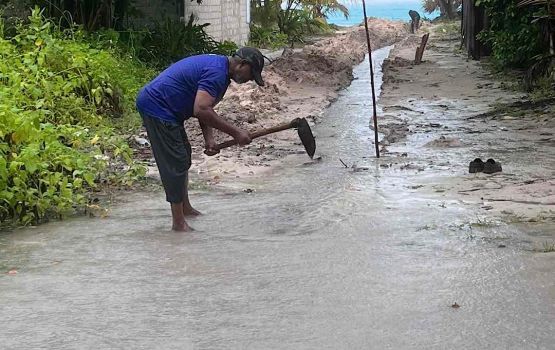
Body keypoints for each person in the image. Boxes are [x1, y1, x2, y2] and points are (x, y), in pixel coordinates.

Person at [136, 47, 266, 231]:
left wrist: (209, 139)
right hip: (157, 106)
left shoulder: (220, 70)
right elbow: (201, 109)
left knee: (184, 157)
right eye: (251, 74)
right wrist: (236, 133)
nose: (250, 79)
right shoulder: (217, 74)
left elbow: (205, 109)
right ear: (242, 64)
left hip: (169, 110)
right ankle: (178, 224)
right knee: (175, 162)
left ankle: (185, 208)